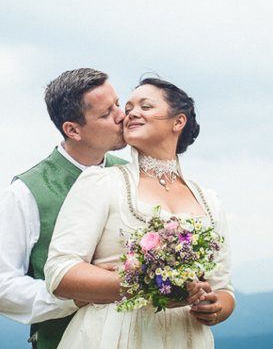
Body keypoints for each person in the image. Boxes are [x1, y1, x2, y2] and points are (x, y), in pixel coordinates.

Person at [44, 78, 234, 348]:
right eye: (129, 106)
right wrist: (147, 285)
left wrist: (215, 307)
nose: (131, 113)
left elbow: (223, 288)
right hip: (113, 334)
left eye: (145, 106)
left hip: (186, 336)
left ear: (177, 122)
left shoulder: (210, 201)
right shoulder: (100, 182)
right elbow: (59, 273)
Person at [0, 68, 128, 348]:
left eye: (118, 104)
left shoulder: (131, 176)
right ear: (73, 129)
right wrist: (75, 295)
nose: (122, 116)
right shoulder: (26, 192)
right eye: (107, 113)